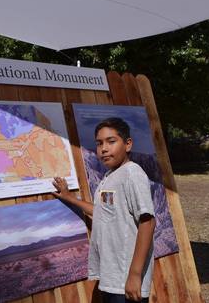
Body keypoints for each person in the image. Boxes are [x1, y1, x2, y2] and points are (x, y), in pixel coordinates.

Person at [53, 117, 155, 303]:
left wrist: (134, 274)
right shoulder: (110, 176)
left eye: (111, 141)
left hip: (126, 279)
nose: (104, 149)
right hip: (111, 277)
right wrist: (69, 198)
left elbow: (147, 222)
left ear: (128, 144)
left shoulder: (132, 174)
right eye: (99, 143)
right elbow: (102, 211)